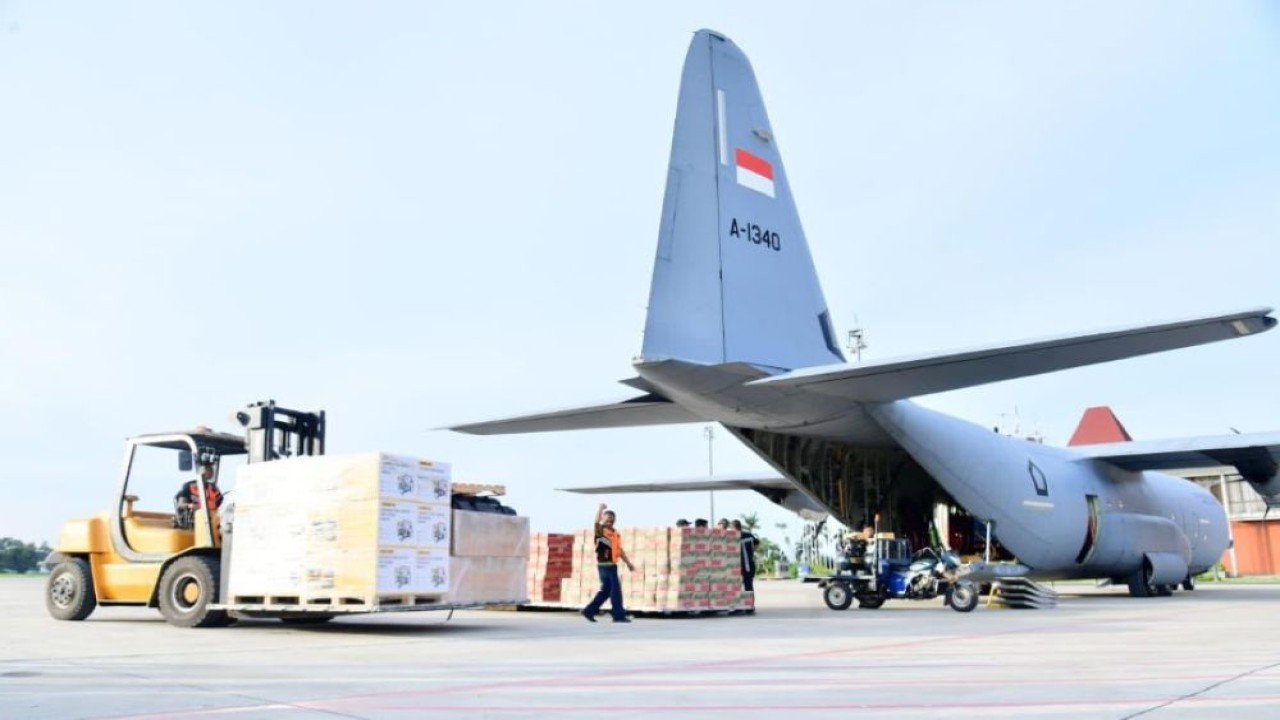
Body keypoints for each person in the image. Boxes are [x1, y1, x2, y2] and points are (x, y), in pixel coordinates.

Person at [582, 502, 635, 623]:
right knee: (616, 591)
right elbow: (596, 521)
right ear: (602, 519)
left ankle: (589, 610)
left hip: (611, 566)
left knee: (606, 591)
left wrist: (628, 563)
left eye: (612, 519)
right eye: (607, 519)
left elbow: (619, 550)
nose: (609, 521)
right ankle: (618, 616)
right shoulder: (600, 531)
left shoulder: (615, 534)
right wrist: (600, 508)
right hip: (605, 566)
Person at [173, 463, 224, 530]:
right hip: (194, 522)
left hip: (212, 521)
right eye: (209, 469)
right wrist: (190, 505)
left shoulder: (214, 489)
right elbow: (180, 503)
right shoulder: (189, 486)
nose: (212, 471)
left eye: (211, 469)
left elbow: (220, 505)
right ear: (202, 471)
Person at [731, 519, 758, 594]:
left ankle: (745, 603)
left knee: (740, 588)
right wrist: (752, 551)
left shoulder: (732, 537)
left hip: (741, 566)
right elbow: (757, 543)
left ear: (733, 528)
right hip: (749, 565)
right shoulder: (749, 535)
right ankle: (750, 604)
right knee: (748, 587)